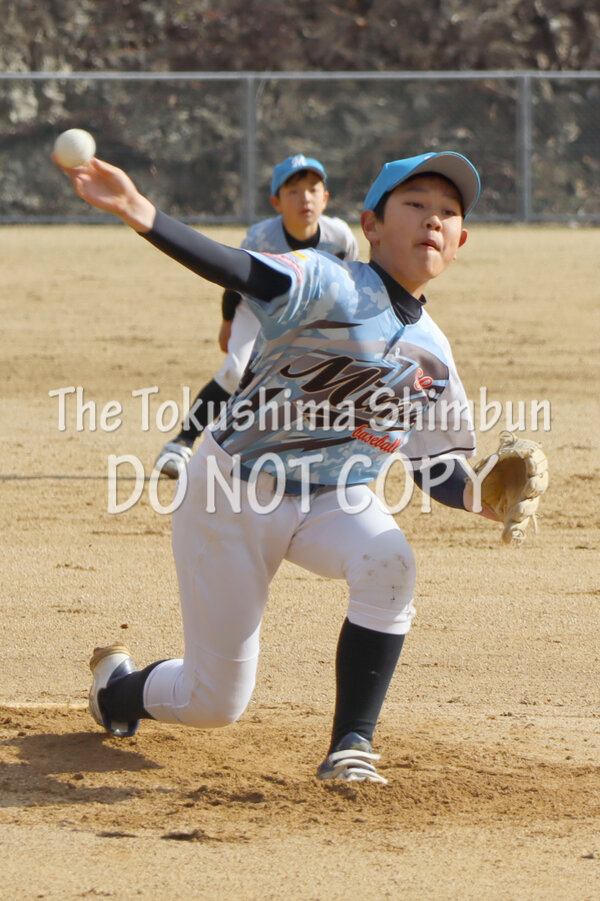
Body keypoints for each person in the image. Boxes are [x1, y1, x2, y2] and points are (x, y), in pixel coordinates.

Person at [55, 148, 500, 784]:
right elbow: (239, 270)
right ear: (370, 226)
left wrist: (488, 496)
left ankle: (351, 745)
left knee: (390, 562)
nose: (433, 218)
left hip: (336, 498)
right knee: (214, 703)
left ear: (460, 242)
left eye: (448, 212)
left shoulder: (435, 355)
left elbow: (436, 469)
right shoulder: (328, 281)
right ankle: (116, 692)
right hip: (233, 489)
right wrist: (139, 211)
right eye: (415, 203)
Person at [155, 153, 359, 479]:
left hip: (309, 315)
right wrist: (228, 323)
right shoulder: (260, 238)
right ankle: (181, 442)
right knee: (236, 372)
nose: (305, 198)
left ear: (326, 198)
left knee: (315, 380)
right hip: (256, 308)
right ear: (276, 202)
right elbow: (235, 282)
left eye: (313, 189)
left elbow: (349, 287)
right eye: (293, 191)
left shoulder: (340, 238)